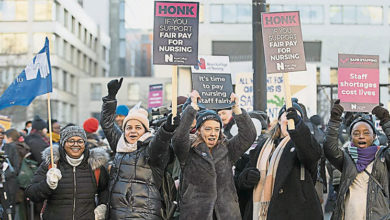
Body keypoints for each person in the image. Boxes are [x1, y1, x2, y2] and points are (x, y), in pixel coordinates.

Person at [100, 78, 179, 219]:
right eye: (128, 128)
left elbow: (160, 142)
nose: (133, 131)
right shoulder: (120, 145)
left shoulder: (150, 149)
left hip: (144, 215)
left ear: (145, 131)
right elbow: (107, 125)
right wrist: (110, 98)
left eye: (138, 128)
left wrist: (167, 128)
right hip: (117, 214)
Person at [172, 90, 256, 220]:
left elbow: (248, 135)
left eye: (217, 129)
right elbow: (178, 138)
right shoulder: (189, 150)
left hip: (227, 214)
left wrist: (237, 109)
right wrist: (192, 108)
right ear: (199, 131)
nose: (213, 133)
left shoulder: (227, 149)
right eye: (208, 129)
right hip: (195, 214)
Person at [237, 99, 323, 220]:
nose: (290, 119)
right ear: (279, 120)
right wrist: (247, 177)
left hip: (294, 212)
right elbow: (242, 178)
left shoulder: (302, 144)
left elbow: (312, 155)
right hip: (263, 213)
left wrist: (298, 129)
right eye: (287, 115)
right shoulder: (263, 146)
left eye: (295, 117)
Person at [25, 126, 110, 220]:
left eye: (80, 141)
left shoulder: (95, 165)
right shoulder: (51, 164)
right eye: (71, 141)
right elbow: (31, 193)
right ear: (63, 143)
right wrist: (47, 184)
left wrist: (102, 205)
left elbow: (105, 189)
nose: (75, 144)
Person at [324, 100, 390, 220]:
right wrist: (334, 120)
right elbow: (329, 148)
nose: (361, 136)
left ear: (374, 136)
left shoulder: (383, 156)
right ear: (351, 137)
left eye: (366, 133)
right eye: (356, 133)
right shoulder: (346, 157)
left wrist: (385, 120)